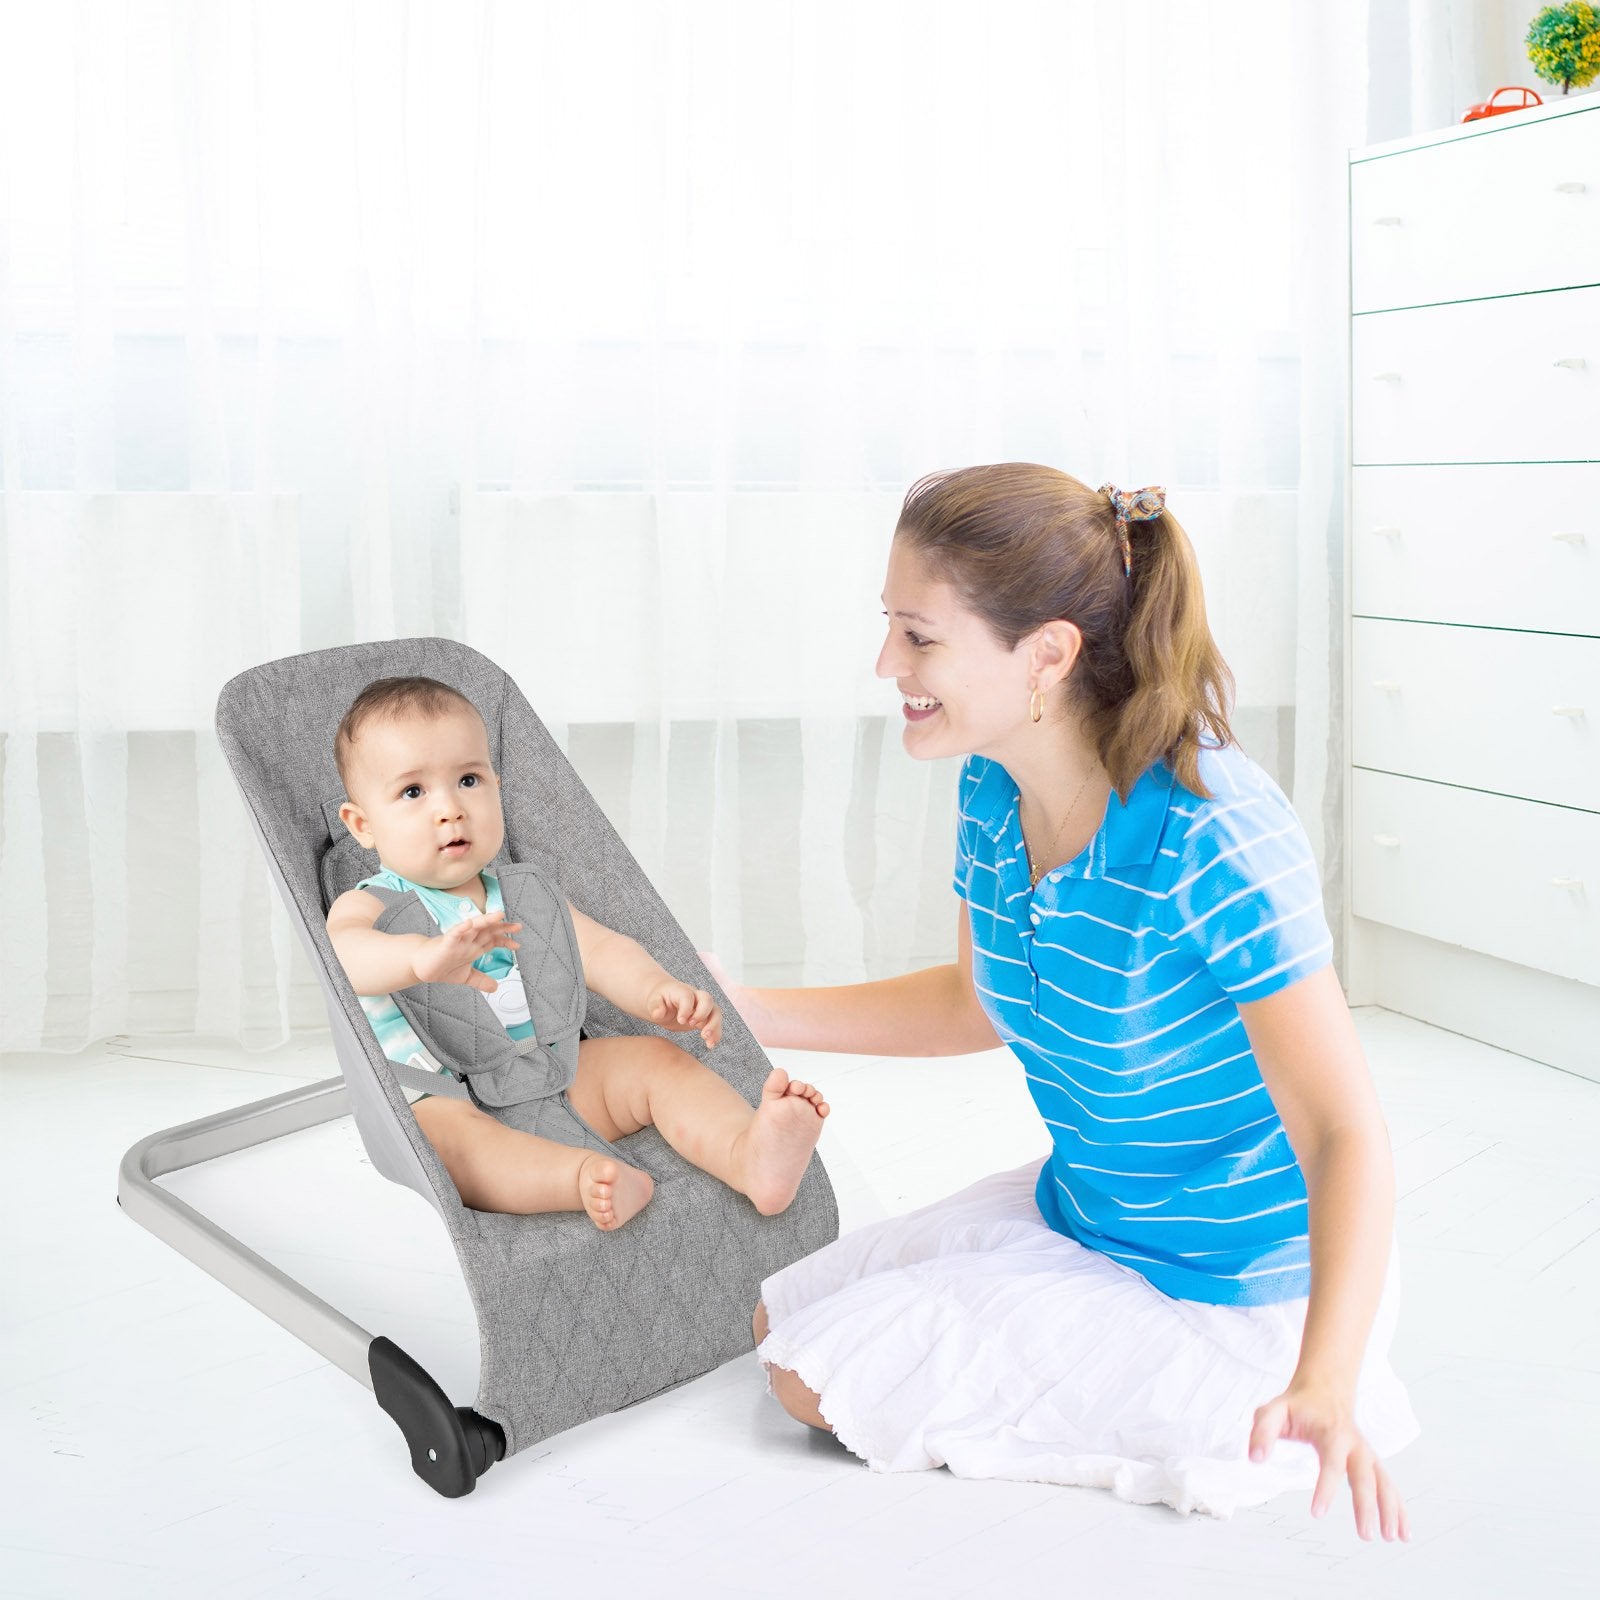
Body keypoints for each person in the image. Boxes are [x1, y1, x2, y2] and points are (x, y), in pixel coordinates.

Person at [715, 463, 1418, 1534]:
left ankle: (1236, 1405)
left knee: (808, 1382)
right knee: (781, 1318)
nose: (885, 664)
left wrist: (1326, 1373)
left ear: (1045, 652)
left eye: (918, 636)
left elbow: (1342, 1131)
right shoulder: (992, 782)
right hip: (1088, 1211)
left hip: (1234, 1288)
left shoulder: (1213, 834)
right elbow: (973, 1002)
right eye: (888, 628)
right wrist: (747, 1004)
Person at [325, 675, 829, 1229]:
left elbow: (600, 949)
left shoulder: (522, 894)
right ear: (362, 825)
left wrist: (655, 990)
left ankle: (749, 1155)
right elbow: (345, 960)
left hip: (554, 1071)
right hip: (453, 1099)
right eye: (413, 792)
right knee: (450, 1148)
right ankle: (582, 1176)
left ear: (496, 785)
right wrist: (419, 959)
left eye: (468, 779)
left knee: (653, 1061)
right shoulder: (369, 906)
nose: (450, 809)